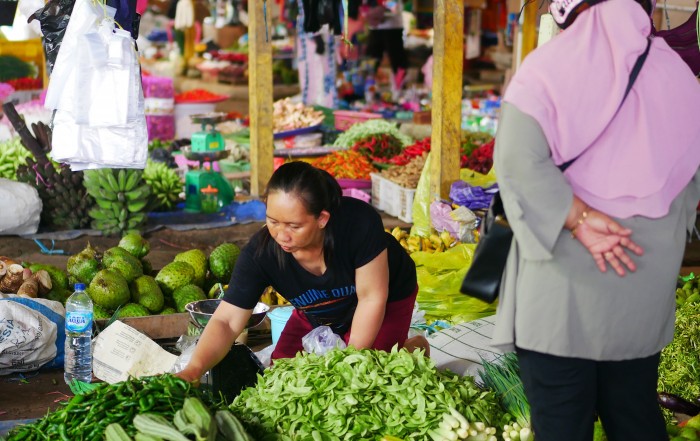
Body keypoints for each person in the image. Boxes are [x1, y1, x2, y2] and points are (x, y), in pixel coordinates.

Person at [489, 0, 700, 440]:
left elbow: (515, 159)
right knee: (634, 413)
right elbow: (689, 183)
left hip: (560, 289)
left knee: (562, 419)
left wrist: (578, 218)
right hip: (641, 280)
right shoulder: (678, 75)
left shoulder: (549, 68)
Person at [177, 161, 421, 382]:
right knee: (281, 376)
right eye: (273, 221)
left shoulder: (359, 223)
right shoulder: (260, 254)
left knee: (373, 373)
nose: (281, 235)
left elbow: (371, 298)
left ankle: (412, 349)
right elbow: (227, 320)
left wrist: (350, 363)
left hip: (385, 297)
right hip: (321, 309)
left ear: (322, 219)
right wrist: (194, 369)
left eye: (294, 226)